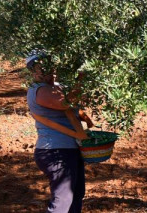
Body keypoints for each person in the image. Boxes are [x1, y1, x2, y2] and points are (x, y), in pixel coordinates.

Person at [26, 51, 95, 213]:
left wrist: (84, 118)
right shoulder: (39, 90)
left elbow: (72, 106)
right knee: (63, 200)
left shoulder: (55, 86)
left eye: (50, 66)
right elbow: (65, 103)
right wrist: (81, 77)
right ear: (33, 71)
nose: (48, 71)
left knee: (77, 194)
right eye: (42, 68)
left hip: (70, 149)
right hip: (55, 151)